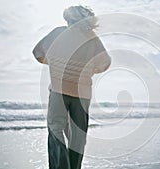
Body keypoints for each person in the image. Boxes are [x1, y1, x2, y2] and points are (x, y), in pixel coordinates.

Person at [32, 6, 111, 169]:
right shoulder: (92, 38)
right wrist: (88, 69)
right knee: (78, 137)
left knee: (56, 130)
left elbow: (37, 53)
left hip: (58, 91)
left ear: (68, 19)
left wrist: (54, 63)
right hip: (82, 94)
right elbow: (105, 63)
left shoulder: (58, 33)